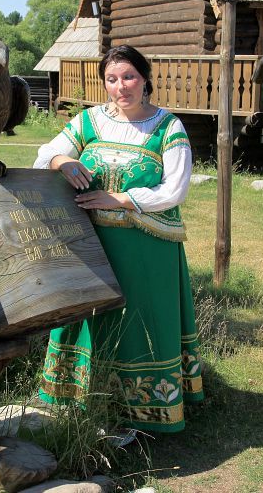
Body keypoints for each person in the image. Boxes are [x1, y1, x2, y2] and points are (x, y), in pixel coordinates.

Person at [34, 44, 203, 433]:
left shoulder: (167, 127)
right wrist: (65, 161)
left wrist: (121, 198)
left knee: (139, 324)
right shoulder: (89, 122)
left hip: (146, 248)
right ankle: (77, 402)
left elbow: (175, 190)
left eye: (128, 77)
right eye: (111, 79)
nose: (120, 87)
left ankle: (144, 414)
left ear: (145, 79)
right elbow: (47, 153)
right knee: (92, 320)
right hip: (93, 247)